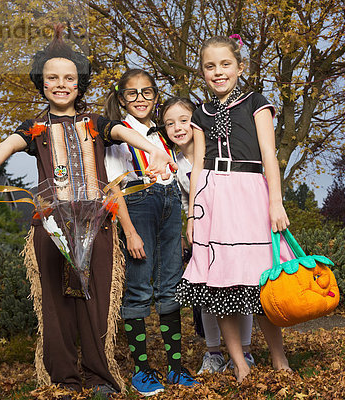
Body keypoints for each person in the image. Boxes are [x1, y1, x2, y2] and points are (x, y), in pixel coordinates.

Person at [0, 27, 177, 398]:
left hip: (97, 223)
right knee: (55, 304)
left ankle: (100, 378)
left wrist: (159, 153)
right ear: (42, 83)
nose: (61, 84)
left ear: (79, 84)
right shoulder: (34, 128)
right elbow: (5, 146)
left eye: (69, 78)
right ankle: (64, 380)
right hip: (51, 226)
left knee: (97, 302)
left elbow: (127, 134)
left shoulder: (97, 123)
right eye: (52, 77)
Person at [175, 35, 293, 384]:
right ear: (203, 72)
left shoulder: (256, 103)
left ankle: (278, 356)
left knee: (264, 280)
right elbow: (196, 167)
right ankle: (239, 363)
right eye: (210, 66)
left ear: (240, 67)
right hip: (215, 197)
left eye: (225, 64)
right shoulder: (200, 113)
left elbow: (269, 155)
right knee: (221, 284)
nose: (218, 72)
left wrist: (275, 202)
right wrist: (193, 215)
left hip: (252, 192)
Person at [103, 69, 198, 396]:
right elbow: (115, 188)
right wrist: (129, 231)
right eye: (132, 93)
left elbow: (183, 177)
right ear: (122, 99)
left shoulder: (163, 134)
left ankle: (175, 367)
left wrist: (187, 218)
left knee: (171, 287)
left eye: (147, 92)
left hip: (171, 208)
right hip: (138, 209)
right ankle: (142, 370)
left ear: (156, 98)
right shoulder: (117, 134)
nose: (140, 98)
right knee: (139, 290)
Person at [160, 97, 256, 375]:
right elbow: (179, 201)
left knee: (242, 287)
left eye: (183, 120)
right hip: (202, 232)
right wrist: (182, 231)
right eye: (169, 123)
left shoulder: (219, 152)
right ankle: (213, 352)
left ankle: (245, 352)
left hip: (233, 226)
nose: (178, 128)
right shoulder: (174, 164)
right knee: (207, 293)